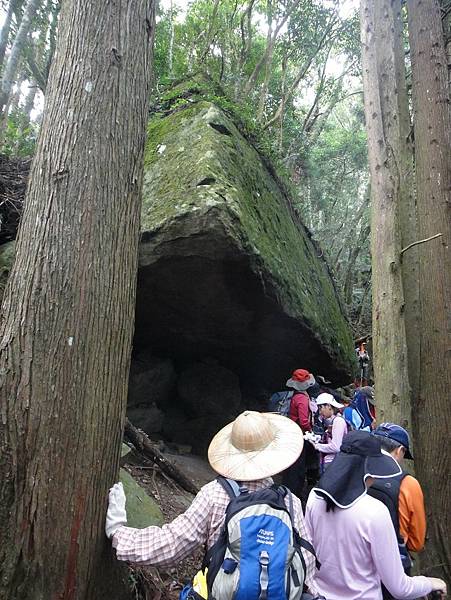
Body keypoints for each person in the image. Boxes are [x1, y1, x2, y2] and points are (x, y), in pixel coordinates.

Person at [106, 410, 319, 597]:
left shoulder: (215, 494)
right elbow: (306, 563)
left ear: (232, 451)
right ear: (275, 453)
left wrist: (119, 534)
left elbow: (171, 546)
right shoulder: (289, 502)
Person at [305, 430, 446, 600]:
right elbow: (400, 588)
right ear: (366, 469)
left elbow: (309, 556)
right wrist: (430, 583)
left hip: (320, 595)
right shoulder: (375, 512)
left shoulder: (315, 497)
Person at [370, 423, 426, 585]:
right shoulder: (408, 483)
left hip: (353, 565)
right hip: (394, 568)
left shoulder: (353, 470)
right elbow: (416, 542)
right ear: (400, 450)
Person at [282, 368, 317, 499]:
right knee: (298, 468)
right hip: (300, 435)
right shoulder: (302, 399)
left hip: (292, 432)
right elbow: (303, 421)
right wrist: (311, 432)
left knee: (291, 466)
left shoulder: (294, 396)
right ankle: (294, 496)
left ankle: (287, 491)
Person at [305, 393, 347, 473]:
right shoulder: (333, 421)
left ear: (328, 406)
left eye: (321, 408)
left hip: (333, 463)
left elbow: (336, 447)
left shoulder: (338, 421)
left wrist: (317, 446)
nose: (320, 412)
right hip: (329, 462)